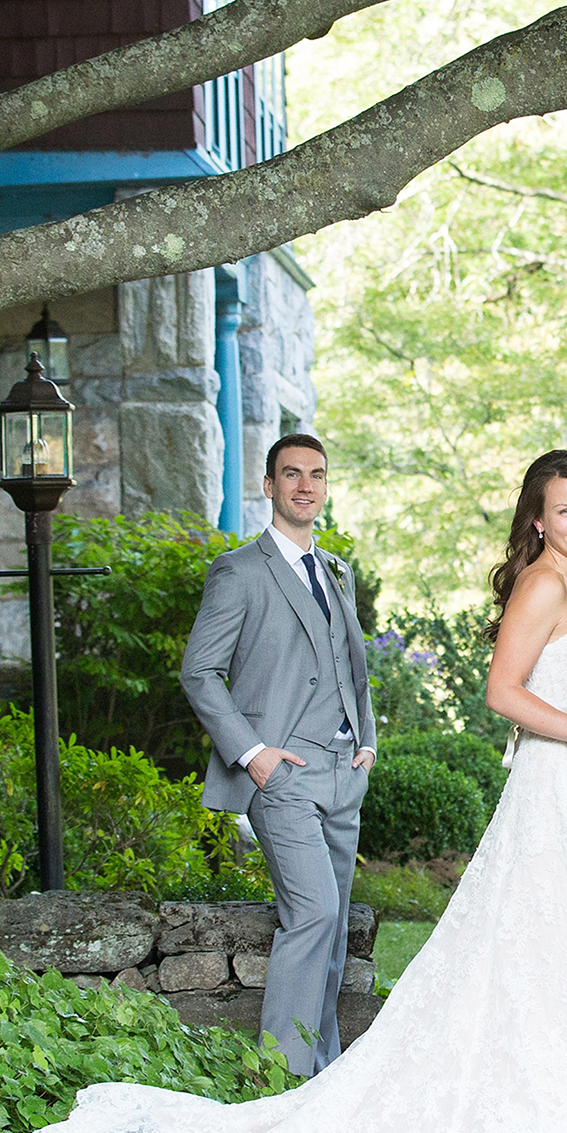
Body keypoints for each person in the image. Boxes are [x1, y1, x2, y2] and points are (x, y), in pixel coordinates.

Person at [26, 449, 567, 1133]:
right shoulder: (543, 584)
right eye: (564, 509)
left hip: (566, 797)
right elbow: (501, 693)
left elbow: (361, 667)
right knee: (422, 930)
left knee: (566, 949)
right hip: (534, 787)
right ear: (538, 520)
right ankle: (297, 1081)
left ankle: (560, 1107)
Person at [180, 431, 377, 1076]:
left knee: (335, 926)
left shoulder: (334, 572)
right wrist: (253, 753)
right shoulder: (239, 571)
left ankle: (321, 1072)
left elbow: (352, 668)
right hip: (282, 773)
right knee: (313, 913)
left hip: (343, 773)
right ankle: (281, 1078)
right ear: (269, 486)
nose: (305, 485)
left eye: (316, 475)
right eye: (291, 474)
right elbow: (199, 672)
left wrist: (367, 738)